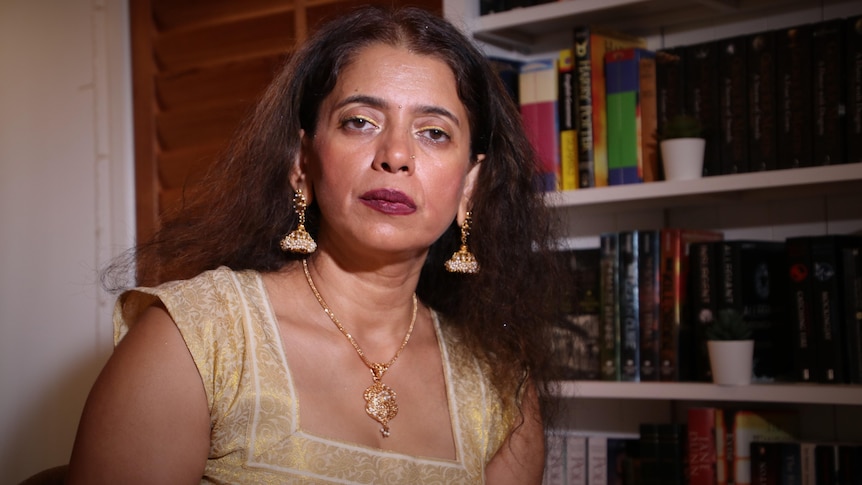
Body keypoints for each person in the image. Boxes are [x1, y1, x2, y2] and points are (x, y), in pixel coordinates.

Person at [67, 5, 564, 484]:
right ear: (302, 161)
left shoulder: (500, 391)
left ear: (470, 184)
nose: (395, 155)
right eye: (360, 121)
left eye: (434, 133)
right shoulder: (196, 340)